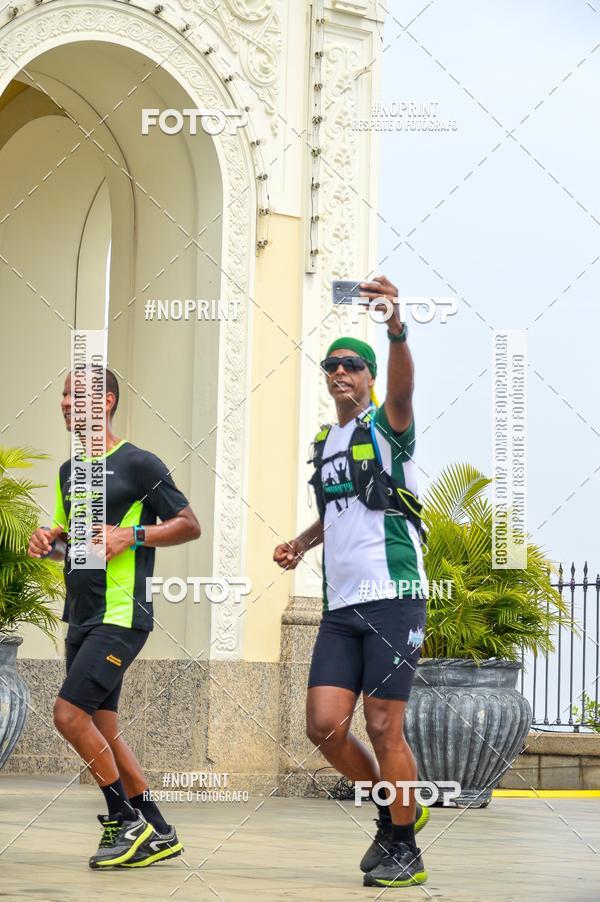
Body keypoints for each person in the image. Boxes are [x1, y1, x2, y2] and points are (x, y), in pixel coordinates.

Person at [273, 275, 429, 889]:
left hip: (393, 598)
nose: (340, 373)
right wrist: (301, 542)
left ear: (367, 377)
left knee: (384, 725)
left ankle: (404, 842)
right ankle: (393, 816)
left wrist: (393, 328)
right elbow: (338, 508)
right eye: (331, 365)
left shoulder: (385, 428)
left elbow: (405, 389)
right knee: (324, 727)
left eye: (351, 366)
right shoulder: (326, 441)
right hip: (341, 607)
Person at [28, 367, 201, 869]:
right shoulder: (68, 471)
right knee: (103, 725)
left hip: (122, 614)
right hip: (80, 615)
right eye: (62, 394)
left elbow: (189, 525)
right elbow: (75, 547)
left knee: (68, 715)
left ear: (104, 403)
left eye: (76, 395)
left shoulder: (139, 464)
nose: (65, 402)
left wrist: (134, 536)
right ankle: (159, 830)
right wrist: (49, 542)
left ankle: (124, 820)